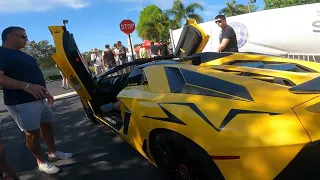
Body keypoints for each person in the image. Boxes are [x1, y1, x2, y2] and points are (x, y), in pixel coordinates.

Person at [0, 26, 73, 175]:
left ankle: (52, 154)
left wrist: (45, 93)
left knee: (46, 126)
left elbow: (33, 77)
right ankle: (41, 161)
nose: (26, 39)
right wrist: (25, 86)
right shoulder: (2, 53)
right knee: (32, 134)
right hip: (21, 102)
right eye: (23, 36)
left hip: (40, 99)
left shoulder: (22, 55)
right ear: (9, 36)